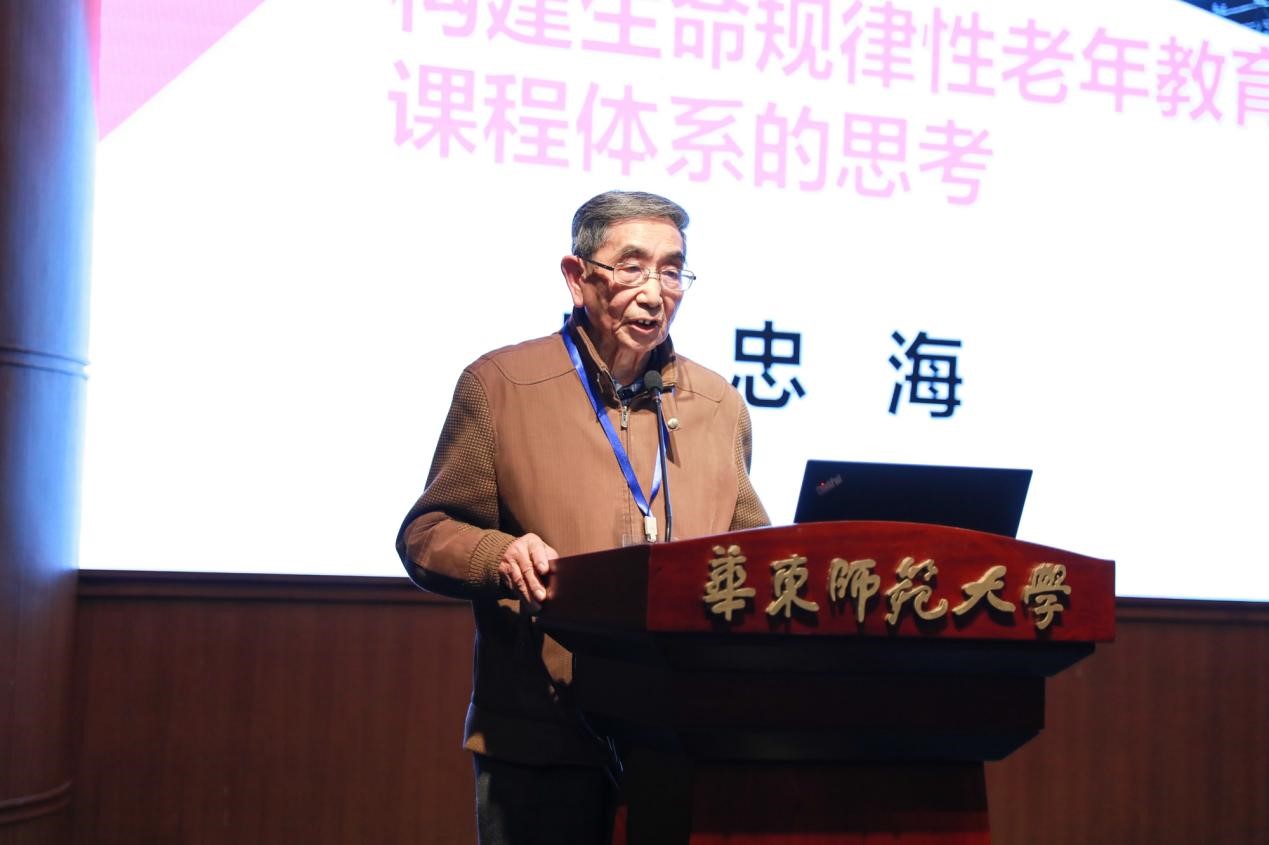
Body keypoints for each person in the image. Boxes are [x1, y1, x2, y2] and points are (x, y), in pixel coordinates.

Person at [396, 190, 769, 844]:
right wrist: (498, 556)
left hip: (678, 738)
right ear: (577, 276)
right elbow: (427, 534)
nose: (654, 294)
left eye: (671, 271)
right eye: (631, 267)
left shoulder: (717, 404)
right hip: (542, 736)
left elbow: (753, 552)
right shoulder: (503, 385)